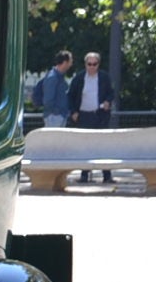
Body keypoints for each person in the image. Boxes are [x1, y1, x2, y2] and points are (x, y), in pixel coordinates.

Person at [70, 52, 115, 182]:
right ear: (85, 64)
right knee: (86, 146)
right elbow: (71, 96)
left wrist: (108, 101)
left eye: (94, 64)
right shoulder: (79, 78)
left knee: (103, 146)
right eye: (89, 64)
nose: (92, 67)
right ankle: (84, 175)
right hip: (84, 116)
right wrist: (74, 112)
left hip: (100, 115)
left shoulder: (104, 77)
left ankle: (107, 175)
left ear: (98, 64)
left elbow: (111, 93)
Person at [34, 49, 73, 127]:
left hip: (59, 116)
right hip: (54, 117)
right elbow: (48, 100)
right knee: (53, 139)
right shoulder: (53, 77)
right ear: (65, 62)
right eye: (70, 61)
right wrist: (57, 112)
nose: (71, 64)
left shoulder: (59, 77)